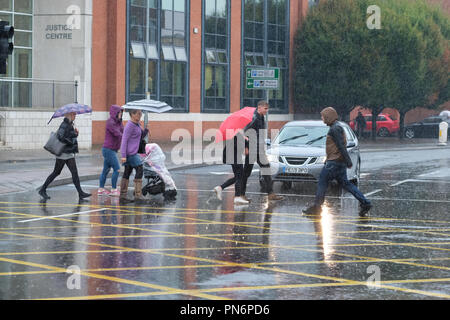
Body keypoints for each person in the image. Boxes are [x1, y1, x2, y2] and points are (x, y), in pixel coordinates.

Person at [302, 107, 372, 217]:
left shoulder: (335, 129)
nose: (322, 118)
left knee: (322, 182)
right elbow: (337, 147)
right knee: (346, 184)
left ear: (329, 117)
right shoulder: (337, 127)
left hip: (334, 163)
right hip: (338, 162)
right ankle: (365, 203)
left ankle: (317, 207)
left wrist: (348, 161)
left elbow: (340, 146)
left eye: (323, 116)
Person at [39, 112, 91, 201]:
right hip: (64, 153)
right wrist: (71, 141)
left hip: (67, 152)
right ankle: (43, 189)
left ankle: (80, 193)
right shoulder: (64, 124)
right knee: (58, 172)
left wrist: (75, 134)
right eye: (74, 114)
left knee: (68, 172)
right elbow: (61, 136)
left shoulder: (69, 124)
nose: (75, 116)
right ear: (69, 115)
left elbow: (68, 135)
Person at [242, 101, 284, 202]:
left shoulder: (261, 118)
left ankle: (270, 193)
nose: (266, 111)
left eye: (267, 109)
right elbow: (246, 132)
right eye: (265, 109)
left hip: (258, 148)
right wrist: (246, 147)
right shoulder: (255, 118)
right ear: (259, 108)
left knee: (263, 169)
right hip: (253, 148)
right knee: (249, 172)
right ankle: (241, 194)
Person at [119, 109, 150, 202]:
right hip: (130, 153)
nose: (140, 115)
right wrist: (123, 155)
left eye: (141, 114)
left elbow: (139, 136)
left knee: (127, 171)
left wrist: (146, 129)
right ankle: (138, 195)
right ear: (132, 114)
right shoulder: (129, 125)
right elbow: (124, 141)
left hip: (133, 152)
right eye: (138, 114)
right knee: (140, 168)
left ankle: (123, 196)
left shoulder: (137, 125)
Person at [214, 132, 251, 205]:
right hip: (235, 157)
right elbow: (244, 151)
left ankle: (220, 188)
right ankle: (237, 197)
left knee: (237, 177)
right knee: (239, 176)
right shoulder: (236, 134)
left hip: (232, 156)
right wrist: (246, 141)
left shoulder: (233, 134)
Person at [98, 105, 124, 197]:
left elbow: (123, 132)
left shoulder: (119, 122)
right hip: (108, 149)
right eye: (119, 112)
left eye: (121, 113)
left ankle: (101, 189)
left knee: (105, 170)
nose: (121, 114)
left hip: (112, 149)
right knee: (117, 169)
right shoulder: (110, 122)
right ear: (115, 113)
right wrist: (125, 137)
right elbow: (118, 133)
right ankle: (113, 189)